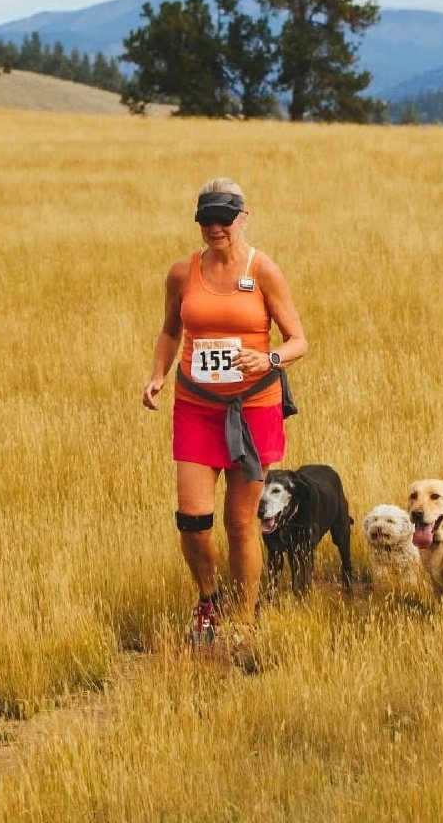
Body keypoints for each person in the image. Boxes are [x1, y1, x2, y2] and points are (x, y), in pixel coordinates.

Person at [142, 178, 307, 651]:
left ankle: (246, 618)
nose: (215, 228)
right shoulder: (182, 272)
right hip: (196, 408)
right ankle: (209, 599)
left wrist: (270, 358)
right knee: (192, 522)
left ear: (243, 217)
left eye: (224, 219)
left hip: (253, 409)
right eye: (206, 220)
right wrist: (157, 373)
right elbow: (170, 331)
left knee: (240, 524)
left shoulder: (265, 271)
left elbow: (299, 339)